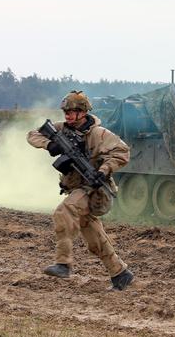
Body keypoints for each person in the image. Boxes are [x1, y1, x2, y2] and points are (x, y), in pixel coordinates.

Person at [27, 91, 134, 290]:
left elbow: (123, 151)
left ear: (83, 112)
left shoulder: (99, 134)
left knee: (63, 211)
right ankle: (120, 273)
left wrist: (104, 170)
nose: (67, 115)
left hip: (94, 191)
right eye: (66, 111)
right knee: (95, 239)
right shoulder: (61, 129)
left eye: (72, 111)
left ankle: (63, 263)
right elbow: (32, 134)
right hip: (77, 189)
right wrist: (50, 144)